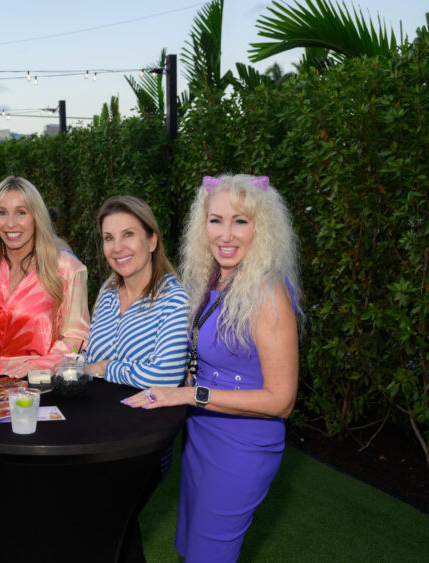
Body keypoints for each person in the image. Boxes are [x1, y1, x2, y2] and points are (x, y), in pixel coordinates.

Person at [123, 174, 303, 562]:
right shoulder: (213, 278)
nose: (226, 234)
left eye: (241, 221)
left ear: (262, 228)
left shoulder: (268, 290)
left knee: (210, 554)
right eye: (216, 220)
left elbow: (282, 400)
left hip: (242, 446)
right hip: (200, 434)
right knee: (194, 549)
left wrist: (190, 393)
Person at [85, 195, 189, 562]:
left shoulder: (174, 299)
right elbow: (88, 358)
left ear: (152, 239)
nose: (117, 247)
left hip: (139, 441)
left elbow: (163, 376)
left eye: (128, 234)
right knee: (104, 532)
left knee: (106, 525)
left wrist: (101, 369)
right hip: (94, 431)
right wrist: (90, 366)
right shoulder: (108, 292)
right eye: (108, 237)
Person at [0, 176, 90, 377]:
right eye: (2, 213)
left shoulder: (66, 268)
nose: (10, 223)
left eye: (21, 212)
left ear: (36, 216)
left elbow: (77, 339)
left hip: (38, 387)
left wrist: (38, 368)